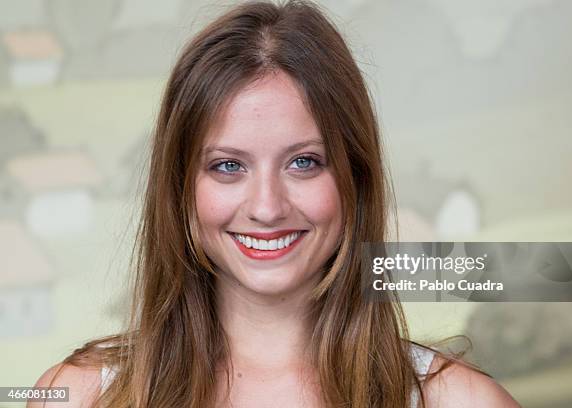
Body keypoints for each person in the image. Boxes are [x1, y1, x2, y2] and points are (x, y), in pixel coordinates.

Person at [32, 1, 520, 407]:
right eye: (228, 166)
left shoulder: (463, 402)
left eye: (304, 163)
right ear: (180, 188)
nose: (267, 208)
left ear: (356, 178)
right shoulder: (76, 396)